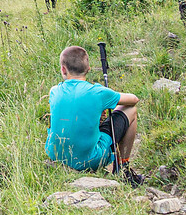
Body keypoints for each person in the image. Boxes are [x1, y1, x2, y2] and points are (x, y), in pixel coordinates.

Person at [46, 45, 140, 180]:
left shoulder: (54, 91)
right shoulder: (98, 92)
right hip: (91, 160)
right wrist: (106, 101)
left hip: (56, 155)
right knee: (130, 109)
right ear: (88, 69)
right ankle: (123, 167)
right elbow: (133, 99)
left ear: (63, 69)